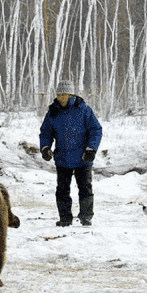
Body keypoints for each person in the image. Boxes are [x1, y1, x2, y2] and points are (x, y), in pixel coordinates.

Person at [39, 80, 103, 227]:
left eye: (64, 94)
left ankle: (86, 217)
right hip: (62, 158)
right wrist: (45, 147)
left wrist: (91, 149)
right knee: (62, 190)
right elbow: (46, 132)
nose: (60, 97)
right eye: (59, 94)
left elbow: (96, 130)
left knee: (85, 188)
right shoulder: (53, 112)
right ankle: (65, 218)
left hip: (83, 158)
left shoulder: (84, 110)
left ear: (71, 94)